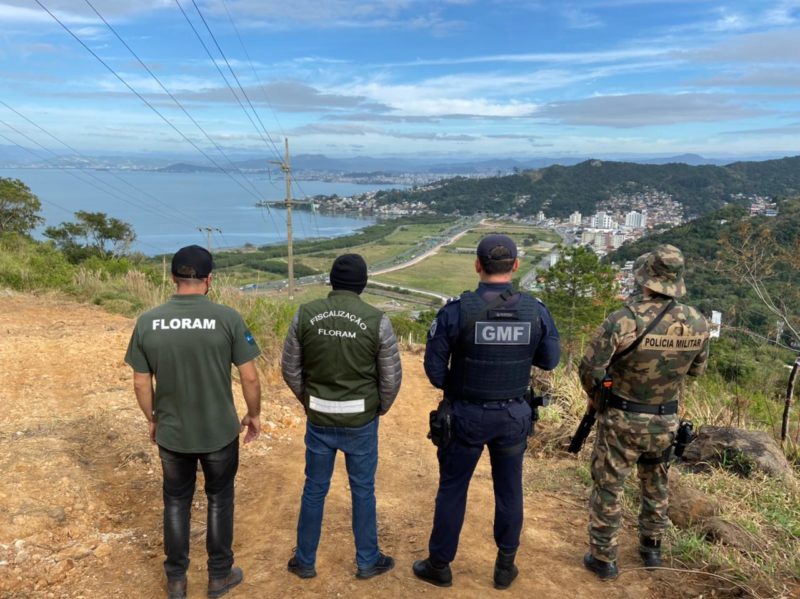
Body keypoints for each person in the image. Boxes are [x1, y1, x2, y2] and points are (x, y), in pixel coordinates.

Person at [412, 234, 561, 590]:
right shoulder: (535, 311)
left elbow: (435, 372)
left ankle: (440, 564)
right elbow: (550, 360)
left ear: (477, 265)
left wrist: (462, 387)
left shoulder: (456, 311)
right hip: (513, 416)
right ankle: (505, 566)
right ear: (515, 266)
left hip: (466, 415)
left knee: (453, 489)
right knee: (509, 490)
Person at [124, 245, 262, 599]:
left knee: (176, 501)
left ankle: (176, 581)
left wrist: (152, 419)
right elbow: (250, 377)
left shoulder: (148, 321)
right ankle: (218, 576)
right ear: (209, 280)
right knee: (219, 499)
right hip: (219, 432)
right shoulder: (228, 318)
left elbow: (141, 382)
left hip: (172, 432)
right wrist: (253, 414)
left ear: (173, 279)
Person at [579, 244, 709, 580]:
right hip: (666, 418)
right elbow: (696, 371)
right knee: (656, 483)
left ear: (645, 277)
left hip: (622, 417)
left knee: (609, 484)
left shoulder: (624, 319)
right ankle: (652, 548)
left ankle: (604, 558)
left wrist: (597, 396)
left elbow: (590, 368)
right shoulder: (698, 322)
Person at [281, 253, 402, 580]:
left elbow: (290, 368)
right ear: (362, 284)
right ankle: (367, 560)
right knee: (363, 490)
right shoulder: (377, 320)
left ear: (332, 281)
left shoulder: (305, 314)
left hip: (319, 419)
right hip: (360, 422)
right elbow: (390, 379)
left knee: (314, 489)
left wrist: (308, 400)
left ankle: (305, 561)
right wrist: (378, 408)